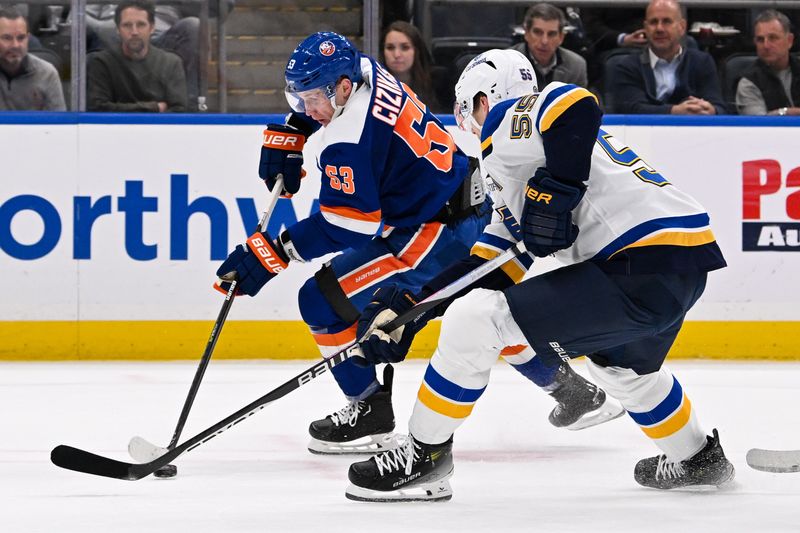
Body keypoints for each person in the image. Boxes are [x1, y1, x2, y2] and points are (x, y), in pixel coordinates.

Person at [344, 48, 735, 502]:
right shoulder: (522, 159)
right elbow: (496, 265)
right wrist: (411, 308)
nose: (463, 121)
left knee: (476, 321)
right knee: (623, 369)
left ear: (482, 99)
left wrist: (558, 192)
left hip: (636, 261)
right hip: (680, 263)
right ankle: (697, 458)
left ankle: (423, 458)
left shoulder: (507, 123)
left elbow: (577, 104)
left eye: (464, 106)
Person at [214, 33, 623, 458]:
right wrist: (295, 129)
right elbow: (328, 105)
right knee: (485, 310)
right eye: (298, 98)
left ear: (342, 88)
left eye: (313, 98)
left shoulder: (347, 141)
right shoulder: (364, 70)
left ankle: (368, 411)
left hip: (434, 232)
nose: (307, 108)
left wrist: (273, 253)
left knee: (319, 300)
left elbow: (348, 224)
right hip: (460, 201)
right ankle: (573, 393)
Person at [608, 0, 726, 115]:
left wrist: (711, 110)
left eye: (667, 22)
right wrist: (675, 112)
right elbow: (632, 110)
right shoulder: (627, 66)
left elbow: (720, 107)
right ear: (646, 27)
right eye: (653, 22)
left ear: (682, 27)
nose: (659, 29)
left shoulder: (702, 62)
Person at [87, 0, 187, 112]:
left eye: (141, 24)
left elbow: (179, 111)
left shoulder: (171, 63)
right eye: (127, 25)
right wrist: (154, 107)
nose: (134, 32)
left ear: (152, 28)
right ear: (118, 29)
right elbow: (98, 109)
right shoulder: (102, 62)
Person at [736, 9, 800, 116]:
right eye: (760, 39)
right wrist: (786, 112)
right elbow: (760, 126)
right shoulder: (749, 82)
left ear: (789, 40)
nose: (766, 46)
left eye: (773, 38)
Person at [0, 7, 65, 110]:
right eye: (7, 38)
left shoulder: (47, 73)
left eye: (21, 38)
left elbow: (59, 123)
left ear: (28, 39)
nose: (15, 45)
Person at [509, 3, 588, 88]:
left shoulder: (576, 66)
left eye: (551, 34)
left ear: (561, 37)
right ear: (526, 33)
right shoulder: (507, 62)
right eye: (537, 32)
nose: (544, 41)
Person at [380, 20, 445, 113]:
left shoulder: (438, 84)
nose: (397, 54)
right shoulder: (372, 86)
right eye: (390, 48)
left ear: (417, 51)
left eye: (405, 47)